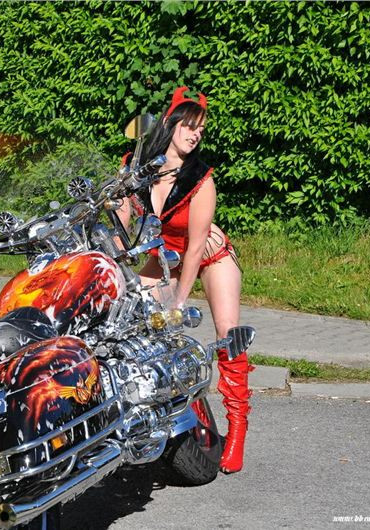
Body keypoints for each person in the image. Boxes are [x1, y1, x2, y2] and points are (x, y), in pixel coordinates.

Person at [117, 86, 253, 474]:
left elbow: (195, 248)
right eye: (189, 126)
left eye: (201, 129)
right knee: (130, 323)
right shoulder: (136, 166)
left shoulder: (200, 179)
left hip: (209, 257)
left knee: (228, 334)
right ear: (170, 123)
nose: (195, 135)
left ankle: (237, 428)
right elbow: (118, 221)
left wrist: (179, 300)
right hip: (163, 260)